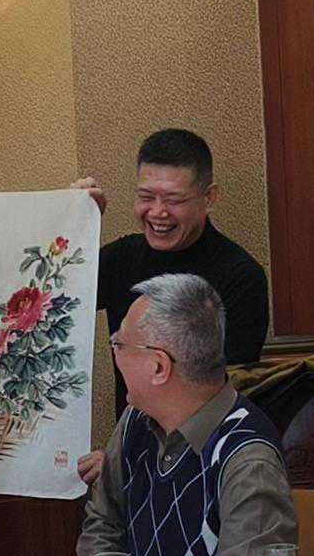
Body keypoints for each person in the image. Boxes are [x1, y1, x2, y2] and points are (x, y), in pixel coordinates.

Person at [73, 128, 270, 484]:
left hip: (204, 469)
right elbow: (50, 298)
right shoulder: (123, 257)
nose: (158, 212)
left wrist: (128, 459)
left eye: (174, 200)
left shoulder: (241, 276)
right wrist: (76, 225)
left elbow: (226, 395)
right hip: (128, 471)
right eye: (146, 197)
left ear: (209, 198)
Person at [76, 274, 296, 556]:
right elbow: (102, 525)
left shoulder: (248, 463)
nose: (114, 352)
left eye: (120, 344)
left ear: (158, 366)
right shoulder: (136, 418)